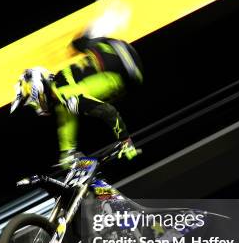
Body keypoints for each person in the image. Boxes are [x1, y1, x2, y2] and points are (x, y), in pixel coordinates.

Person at [10, 33, 144, 167]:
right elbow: (66, 117)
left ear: (37, 89)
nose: (34, 105)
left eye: (31, 98)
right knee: (79, 44)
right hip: (112, 49)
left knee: (70, 105)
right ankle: (68, 153)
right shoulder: (59, 85)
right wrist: (67, 155)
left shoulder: (68, 97)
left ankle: (68, 154)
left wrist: (126, 141)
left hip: (128, 69)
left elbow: (109, 112)